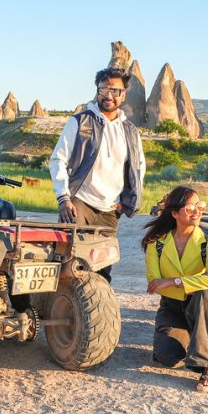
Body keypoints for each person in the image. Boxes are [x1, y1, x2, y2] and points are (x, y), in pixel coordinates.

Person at [50, 67, 146, 280]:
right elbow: (58, 160)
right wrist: (64, 198)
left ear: (124, 94)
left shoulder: (130, 131)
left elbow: (138, 168)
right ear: (97, 90)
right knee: (71, 265)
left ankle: (98, 312)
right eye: (104, 89)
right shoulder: (80, 122)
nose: (109, 95)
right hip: (79, 204)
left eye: (115, 90)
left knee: (102, 269)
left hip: (110, 210)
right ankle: (63, 310)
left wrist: (128, 202)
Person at [142, 186, 208, 393]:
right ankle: (196, 336)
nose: (197, 211)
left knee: (204, 294)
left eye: (200, 206)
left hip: (201, 305)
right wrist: (172, 283)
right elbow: (154, 281)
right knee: (166, 357)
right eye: (190, 207)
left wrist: (174, 281)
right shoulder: (157, 244)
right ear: (175, 213)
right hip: (172, 307)